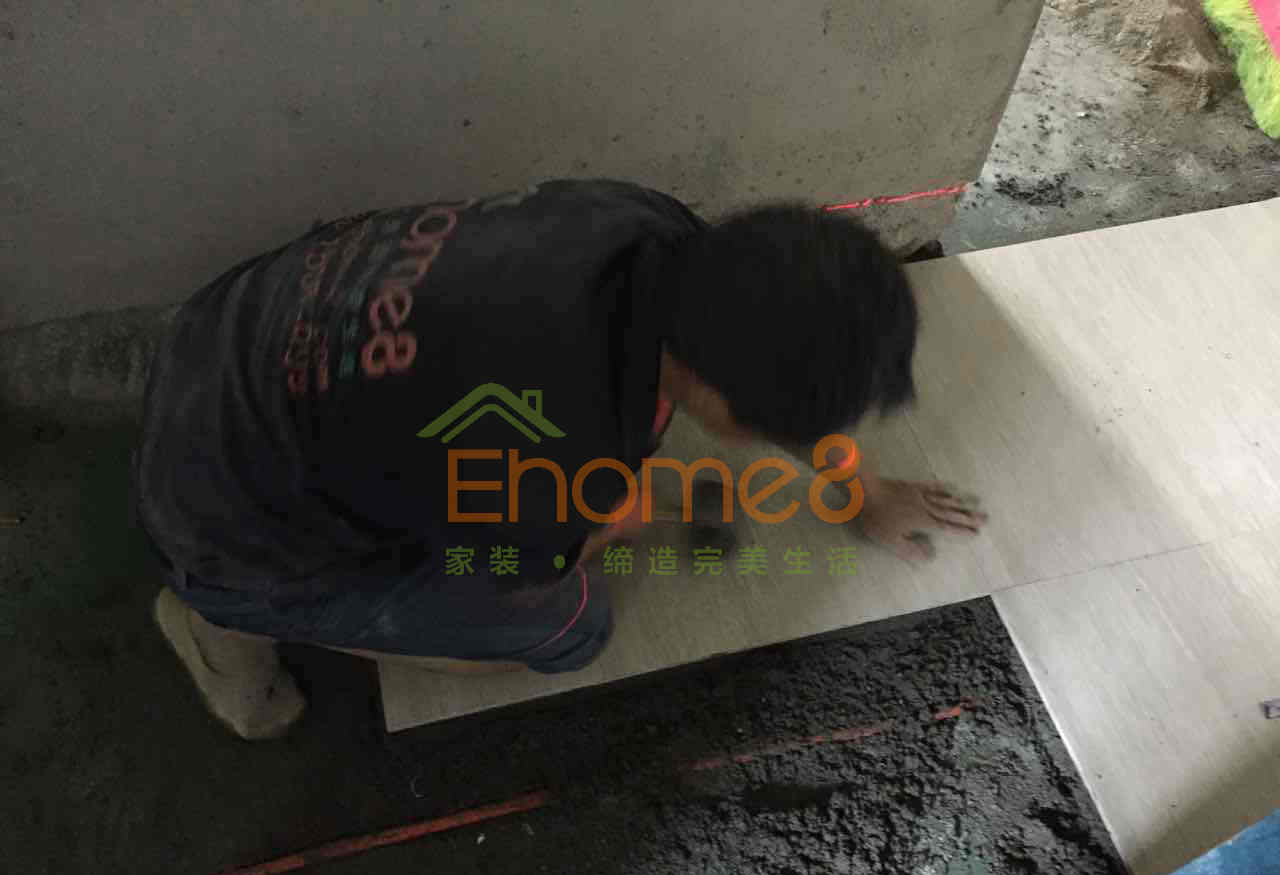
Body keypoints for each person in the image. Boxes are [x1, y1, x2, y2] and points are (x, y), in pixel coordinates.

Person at [134, 179, 987, 740]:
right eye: (768, 426)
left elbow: (775, 358)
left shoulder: (649, 227)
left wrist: (862, 491)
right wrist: (623, 515)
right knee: (571, 625)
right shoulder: (542, 452)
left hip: (223, 334)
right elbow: (527, 554)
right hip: (221, 525)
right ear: (722, 400)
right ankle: (225, 621)